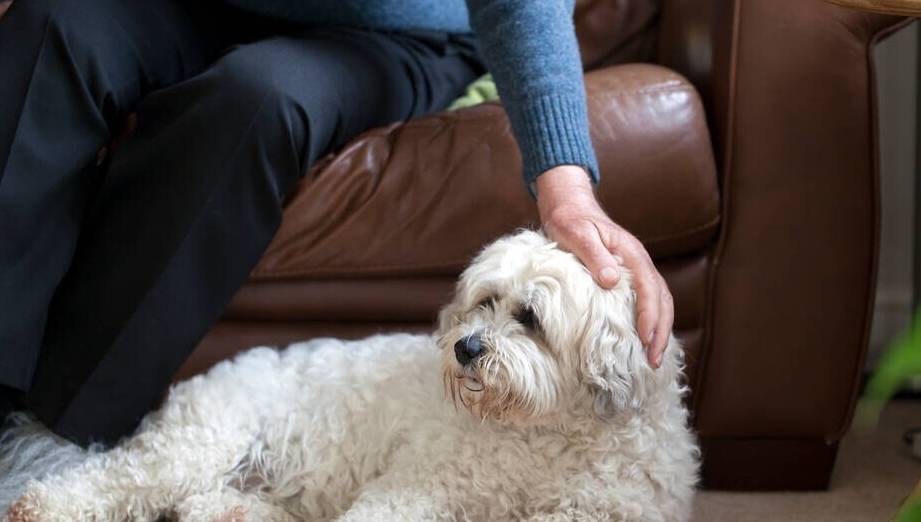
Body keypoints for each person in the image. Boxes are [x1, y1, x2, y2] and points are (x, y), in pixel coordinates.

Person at [0, 0, 673, 446]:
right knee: (53, 22)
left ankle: (57, 439)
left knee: (256, 98)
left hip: (390, 26)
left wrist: (565, 190)